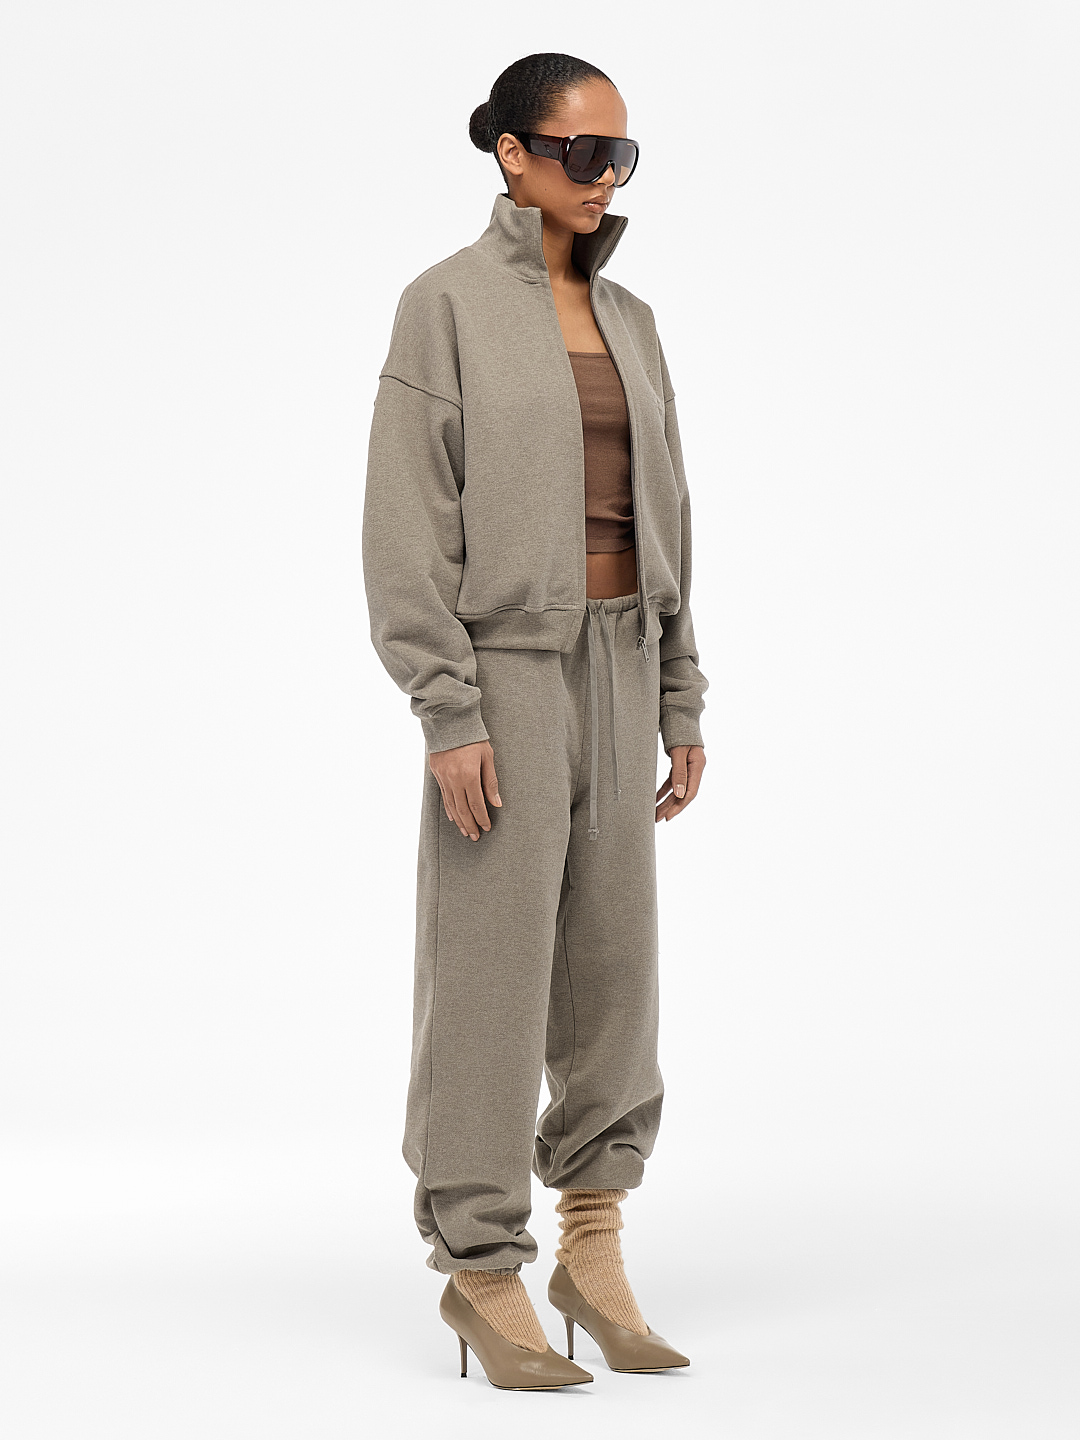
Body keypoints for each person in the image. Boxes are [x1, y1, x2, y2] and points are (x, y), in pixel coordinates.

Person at [362, 52, 708, 1390]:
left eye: (623, 155)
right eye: (580, 152)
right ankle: (481, 1270)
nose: (604, 176)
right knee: (490, 975)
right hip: (502, 675)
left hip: (624, 663)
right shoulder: (443, 306)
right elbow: (406, 521)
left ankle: (594, 1249)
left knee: (616, 975)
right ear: (511, 152)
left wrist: (680, 688)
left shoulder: (633, 318)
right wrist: (446, 707)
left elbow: (670, 512)